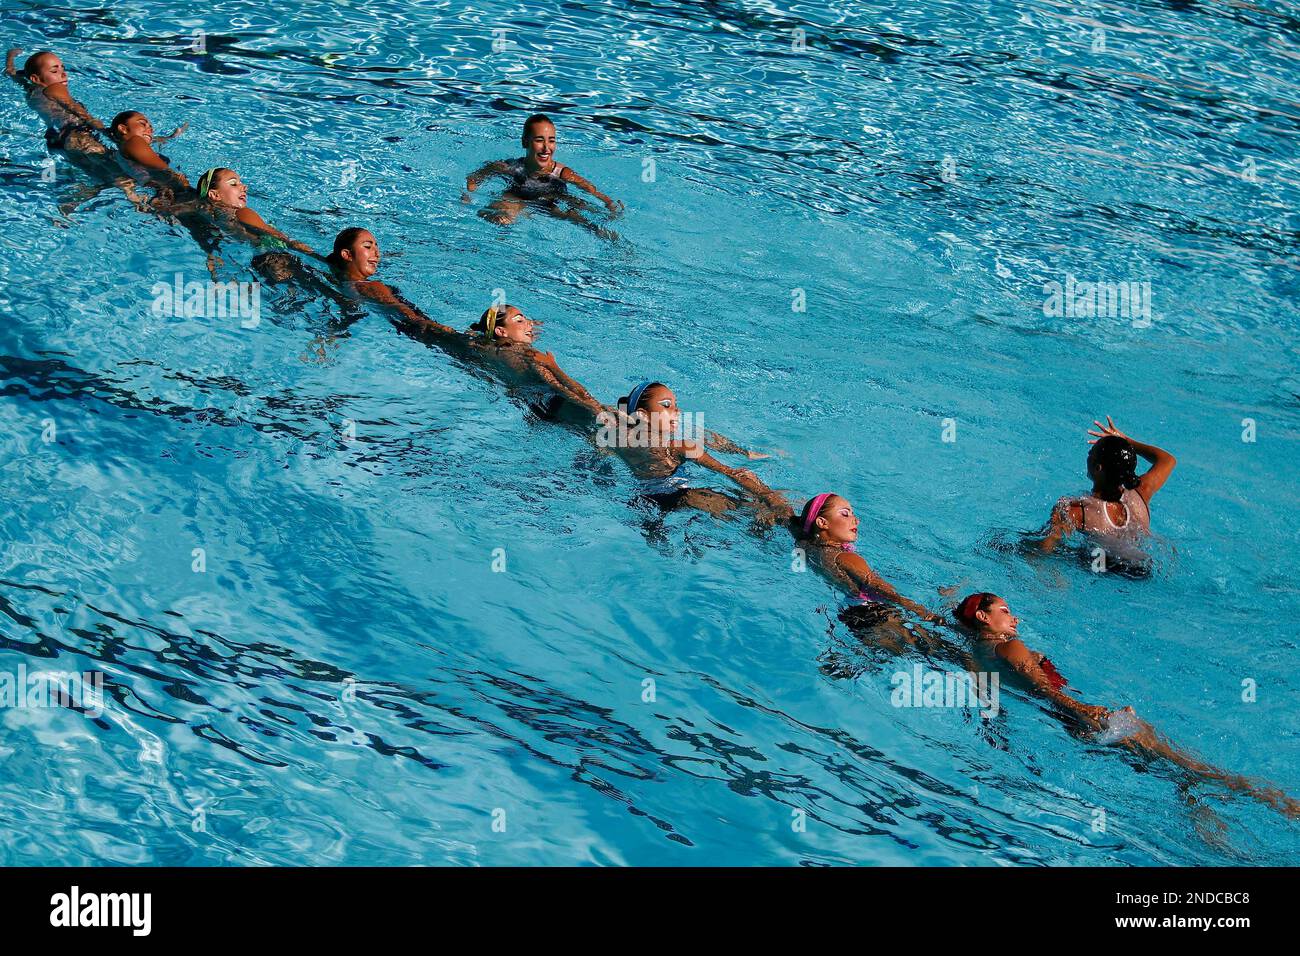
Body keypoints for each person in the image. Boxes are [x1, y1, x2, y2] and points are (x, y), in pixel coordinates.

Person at [954, 592, 1300, 819]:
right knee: (1200, 768)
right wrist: (1090, 710)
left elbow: (993, 699)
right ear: (984, 618)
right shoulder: (1012, 647)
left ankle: (1196, 805)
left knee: (1166, 769)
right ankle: (1280, 804)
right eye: (1005, 611)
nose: (1015, 618)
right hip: (1091, 720)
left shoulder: (976, 656)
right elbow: (1045, 690)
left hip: (1072, 727)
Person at [599, 381, 785, 516]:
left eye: (676, 405)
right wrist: (770, 498)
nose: (677, 411)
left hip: (640, 502)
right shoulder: (680, 447)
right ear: (643, 415)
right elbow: (729, 472)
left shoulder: (619, 437)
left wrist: (742, 451)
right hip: (684, 499)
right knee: (754, 508)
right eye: (667, 405)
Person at [788, 493, 944, 633]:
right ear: (822, 522)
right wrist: (917, 609)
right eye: (845, 514)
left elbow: (780, 510)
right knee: (942, 652)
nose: (856, 520)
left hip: (852, 614)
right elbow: (875, 584)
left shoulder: (805, 543)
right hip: (877, 613)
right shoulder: (845, 557)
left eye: (853, 513)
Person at [1037, 417, 1176, 567]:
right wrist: (1128, 441)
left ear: (1098, 468)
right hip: (1142, 569)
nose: (1088, 457)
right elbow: (1168, 460)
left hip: (1103, 569)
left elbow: (1045, 549)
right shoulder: (1142, 493)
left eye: (1090, 454)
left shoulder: (1076, 510)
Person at [463, 113, 622, 236]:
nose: (547, 148)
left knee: (589, 224)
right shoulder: (511, 167)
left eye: (551, 141)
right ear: (525, 142)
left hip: (552, 201)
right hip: (517, 197)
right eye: (539, 140)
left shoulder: (562, 173)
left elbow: (589, 189)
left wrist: (608, 203)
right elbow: (475, 177)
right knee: (497, 217)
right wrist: (468, 195)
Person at [5, 48, 109, 156]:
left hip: (55, 138)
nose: (64, 74)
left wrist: (10, 56)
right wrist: (101, 128)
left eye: (63, 69)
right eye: (54, 71)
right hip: (78, 135)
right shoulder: (55, 89)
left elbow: (10, 72)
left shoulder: (31, 90)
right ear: (35, 78)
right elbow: (72, 106)